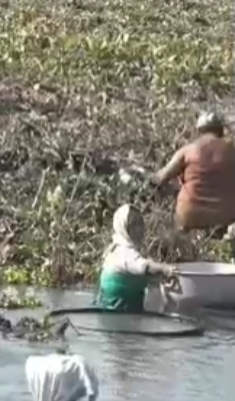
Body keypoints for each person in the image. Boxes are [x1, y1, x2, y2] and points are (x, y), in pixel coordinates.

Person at [153, 111, 235, 239]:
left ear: (198, 131)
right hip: (224, 219)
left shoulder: (188, 150)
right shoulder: (232, 152)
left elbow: (161, 178)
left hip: (190, 217)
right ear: (221, 131)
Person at [96, 204, 178, 312]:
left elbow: (133, 275)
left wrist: (159, 278)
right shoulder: (123, 251)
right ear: (123, 228)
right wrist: (165, 269)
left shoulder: (116, 250)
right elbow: (143, 266)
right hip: (118, 317)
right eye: (133, 225)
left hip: (114, 315)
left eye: (140, 223)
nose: (139, 229)